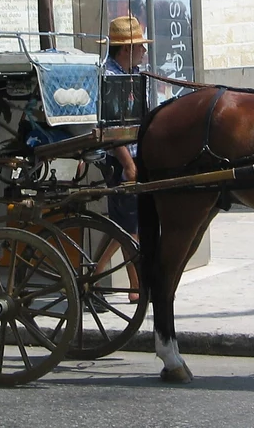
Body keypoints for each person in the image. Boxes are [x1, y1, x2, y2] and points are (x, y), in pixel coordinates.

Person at [93, 15, 150, 304]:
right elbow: (113, 128)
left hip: (135, 156)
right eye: (140, 47)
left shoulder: (132, 74)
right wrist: (128, 164)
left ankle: (133, 283)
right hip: (120, 160)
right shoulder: (111, 77)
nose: (144, 52)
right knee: (127, 227)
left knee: (127, 225)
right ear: (126, 49)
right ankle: (101, 275)